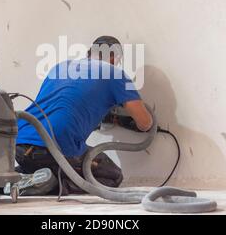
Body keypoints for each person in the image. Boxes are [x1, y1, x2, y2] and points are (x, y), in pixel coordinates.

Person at [11, 36, 153, 196]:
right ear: (114, 57)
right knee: (112, 175)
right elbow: (145, 123)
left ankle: (13, 179)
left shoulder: (60, 67)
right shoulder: (115, 74)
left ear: (89, 53)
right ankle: (52, 184)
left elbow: (64, 110)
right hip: (53, 150)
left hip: (20, 144)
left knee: (43, 162)